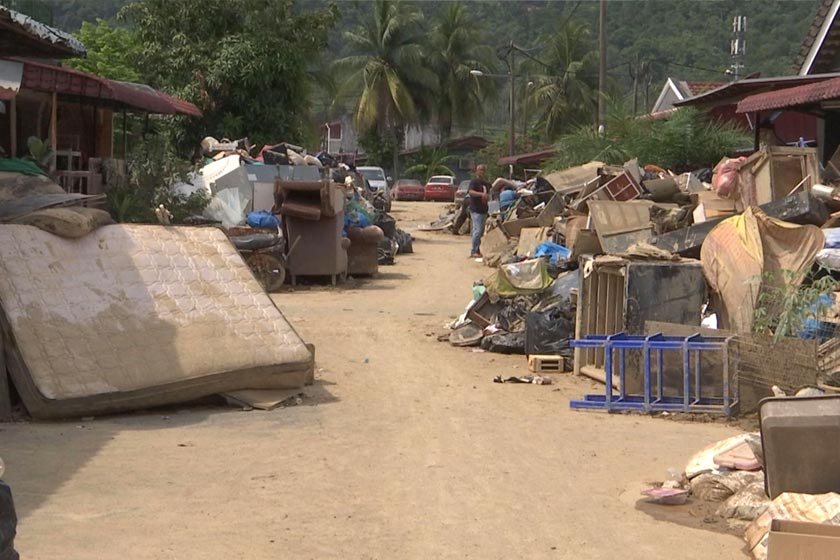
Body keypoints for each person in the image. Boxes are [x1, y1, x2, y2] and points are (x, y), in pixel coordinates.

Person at [467, 164, 492, 258]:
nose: (482, 171)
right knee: (477, 230)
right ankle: (474, 251)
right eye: (480, 170)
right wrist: (481, 194)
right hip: (475, 209)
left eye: (483, 170)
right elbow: (470, 192)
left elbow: (490, 193)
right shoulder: (474, 182)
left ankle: (477, 250)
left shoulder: (486, 183)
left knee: (481, 231)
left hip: (484, 210)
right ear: (477, 171)